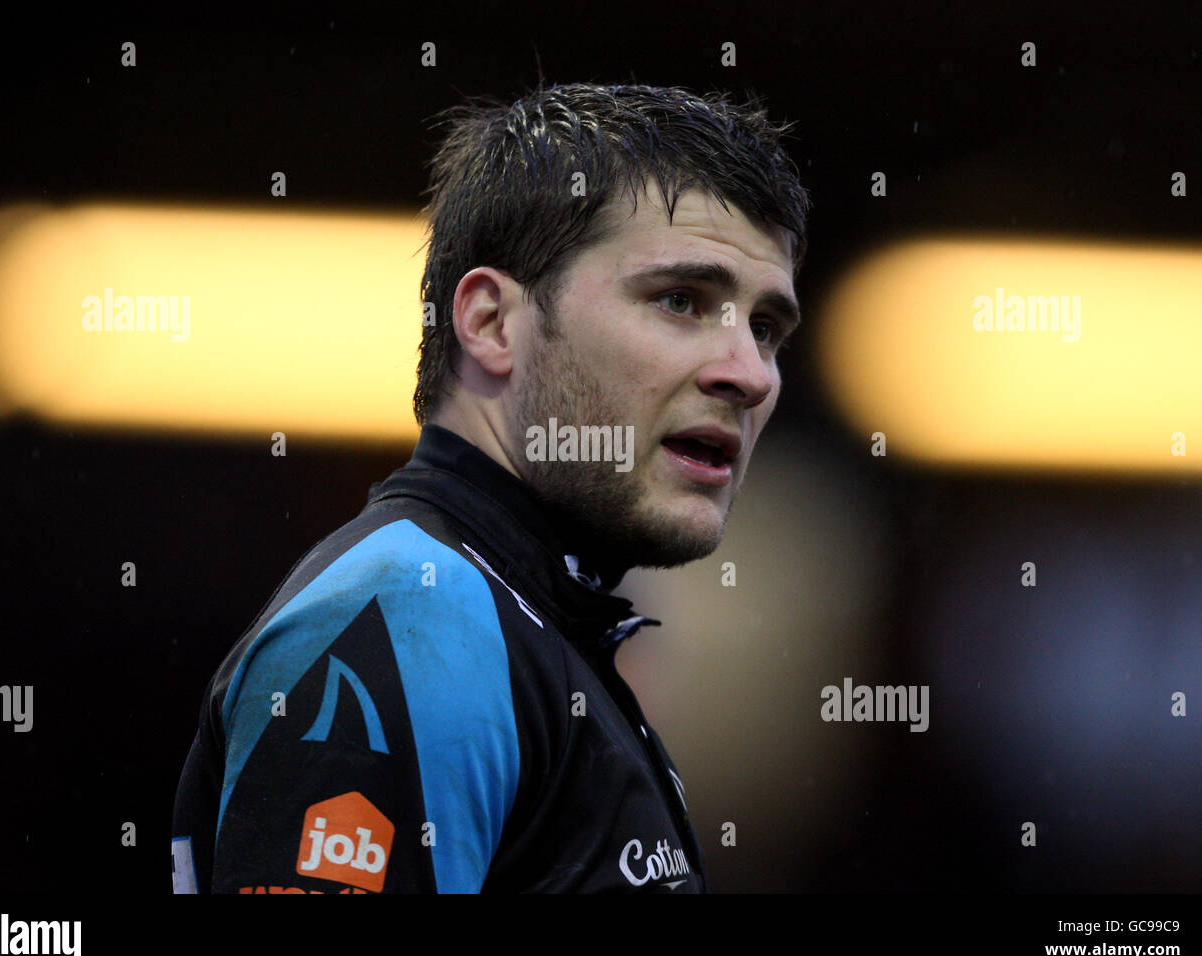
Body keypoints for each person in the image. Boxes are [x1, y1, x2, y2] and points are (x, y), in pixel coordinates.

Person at [171, 81, 810, 893]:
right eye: (681, 300)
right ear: (489, 325)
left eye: (765, 328)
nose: (749, 375)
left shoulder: (532, 624)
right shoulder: (408, 612)